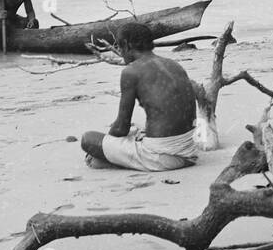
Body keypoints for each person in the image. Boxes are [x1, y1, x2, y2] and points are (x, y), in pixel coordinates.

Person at [80, 22, 198, 172]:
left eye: (119, 47)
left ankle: (117, 160)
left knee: (88, 139)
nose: (120, 52)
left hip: (162, 156)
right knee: (137, 131)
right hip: (190, 150)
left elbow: (121, 128)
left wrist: (106, 142)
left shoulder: (131, 72)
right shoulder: (174, 65)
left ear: (127, 45)